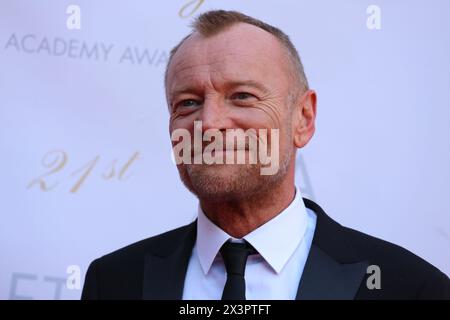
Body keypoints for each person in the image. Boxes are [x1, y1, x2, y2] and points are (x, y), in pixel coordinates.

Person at [81, 10, 450, 300]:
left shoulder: (411, 287)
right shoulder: (114, 282)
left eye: (242, 96)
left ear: (303, 119)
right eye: (188, 103)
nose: (209, 124)